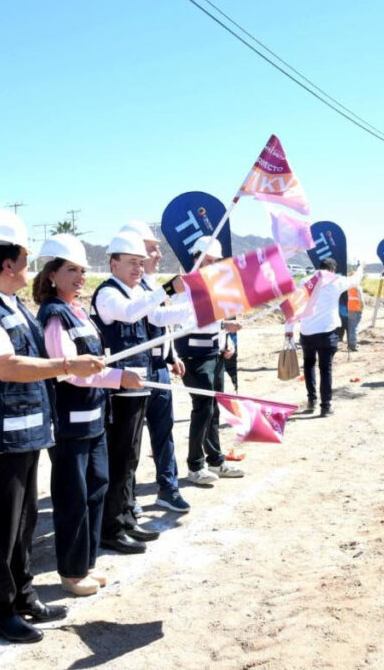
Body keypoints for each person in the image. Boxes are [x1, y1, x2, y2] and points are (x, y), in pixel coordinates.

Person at [0, 209, 104, 644]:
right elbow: (6, 366)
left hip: (23, 431)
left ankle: (23, 595)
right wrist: (67, 364)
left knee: (24, 520)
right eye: (25, 258)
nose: (28, 266)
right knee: (2, 526)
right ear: (7, 263)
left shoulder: (9, 303)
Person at [33, 234, 142, 597]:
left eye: (82, 270)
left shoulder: (78, 310)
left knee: (97, 489)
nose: (80, 277)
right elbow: (67, 371)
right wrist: (117, 378)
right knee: (73, 498)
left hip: (94, 419)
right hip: (70, 425)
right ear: (51, 275)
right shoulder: (53, 315)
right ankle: (72, 571)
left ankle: (88, 562)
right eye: (71, 270)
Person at [89, 230, 171, 553]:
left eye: (141, 262)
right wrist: (166, 289)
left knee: (131, 459)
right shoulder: (109, 294)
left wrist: (200, 311)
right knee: (118, 458)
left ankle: (125, 518)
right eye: (132, 262)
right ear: (113, 264)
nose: (139, 268)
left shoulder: (136, 293)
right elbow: (130, 313)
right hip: (118, 390)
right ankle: (111, 528)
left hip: (138, 386)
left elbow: (159, 316)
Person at [116, 221, 194, 513]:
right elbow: (148, 315)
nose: (158, 255)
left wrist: (171, 354)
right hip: (136, 371)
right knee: (131, 439)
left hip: (158, 367)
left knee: (163, 431)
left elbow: (161, 322)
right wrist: (169, 291)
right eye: (152, 249)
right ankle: (129, 496)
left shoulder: (151, 286)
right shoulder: (130, 290)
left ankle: (168, 487)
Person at [175, 236, 243, 485]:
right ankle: (195, 466)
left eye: (215, 261)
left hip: (214, 354)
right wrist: (223, 326)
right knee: (202, 408)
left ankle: (215, 460)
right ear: (196, 258)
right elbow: (186, 320)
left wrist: (226, 341)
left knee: (213, 409)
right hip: (194, 355)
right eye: (207, 260)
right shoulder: (184, 286)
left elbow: (218, 319)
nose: (211, 266)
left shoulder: (216, 286)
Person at [287, 257, 363, 417]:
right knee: (325, 369)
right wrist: (361, 267)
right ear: (333, 269)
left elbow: (294, 306)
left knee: (309, 366)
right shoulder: (336, 281)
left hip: (307, 332)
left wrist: (289, 330)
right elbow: (355, 280)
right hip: (327, 332)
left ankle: (311, 401)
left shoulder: (304, 281)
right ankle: (325, 407)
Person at [346, 266, 364, 351]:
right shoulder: (357, 287)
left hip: (349, 309)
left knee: (350, 327)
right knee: (354, 327)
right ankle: (353, 345)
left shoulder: (347, 287)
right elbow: (361, 300)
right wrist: (362, 308)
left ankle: (350, 344)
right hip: (356, 309)